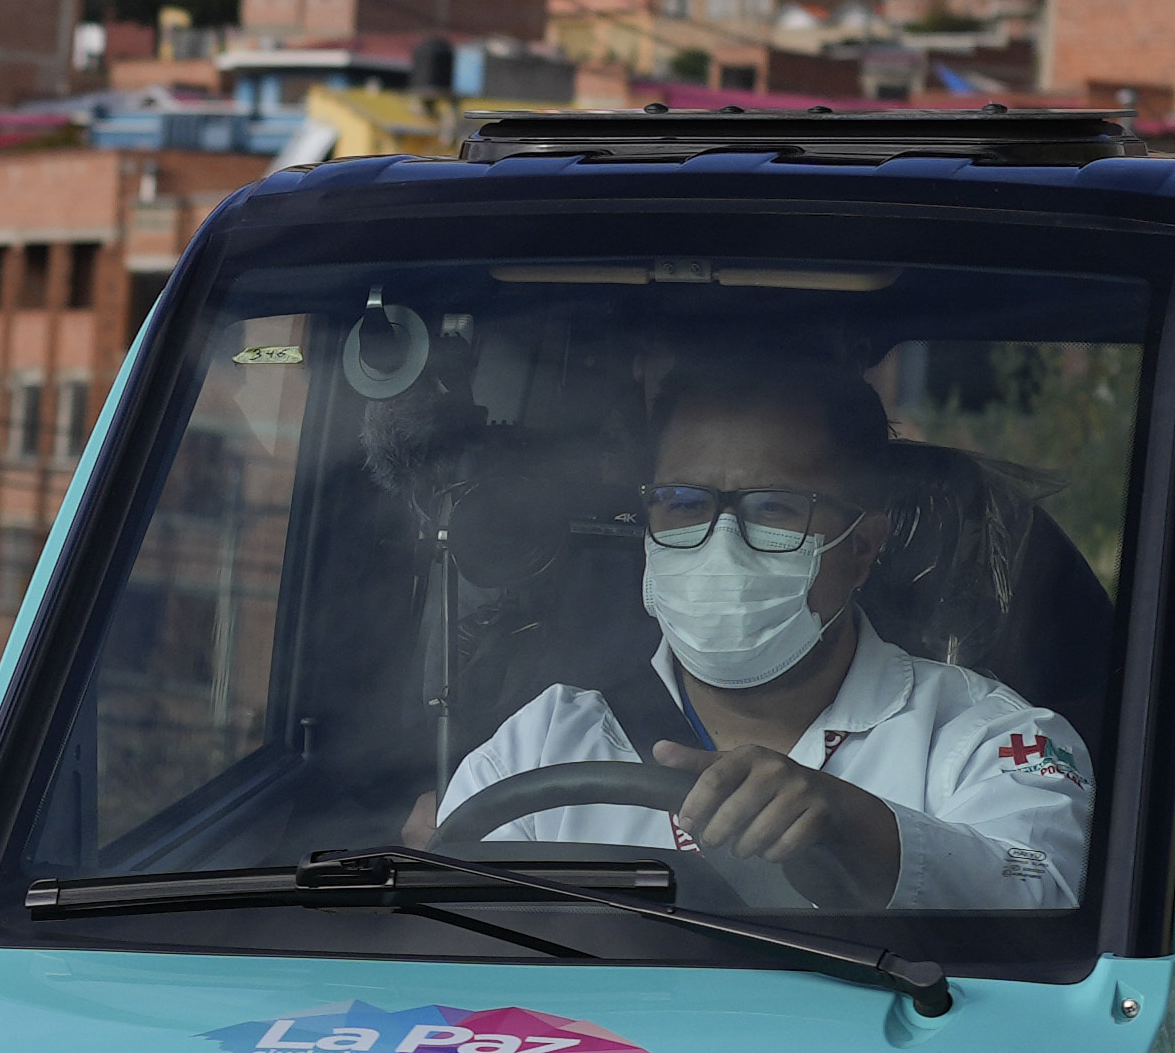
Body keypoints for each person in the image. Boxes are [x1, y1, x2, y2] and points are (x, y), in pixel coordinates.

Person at [419, 359, 1093, 912]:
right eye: (684, 502)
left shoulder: (991, 737)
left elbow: (1040, 883)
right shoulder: (542, 746)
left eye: (775, 505)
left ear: (863, 546)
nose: (721, 539)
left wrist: (852, 825)